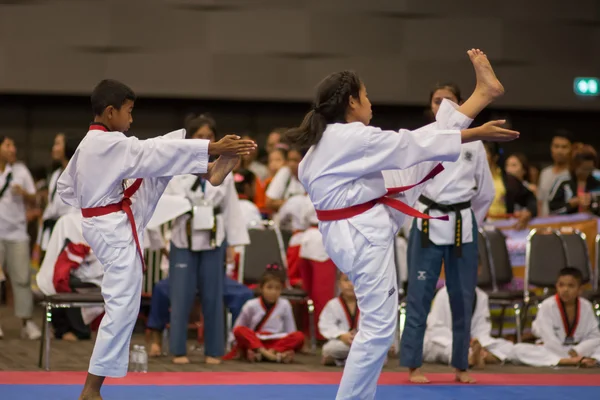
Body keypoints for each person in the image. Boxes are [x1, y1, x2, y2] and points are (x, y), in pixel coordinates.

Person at [284, 49, 518, 400]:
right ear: (351, 101)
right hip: (362, 232)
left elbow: (415, 143)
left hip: (354, 226)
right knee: (378, 329)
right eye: (365, 95)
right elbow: (410, 143)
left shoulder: (323, 143)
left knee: (419, 160)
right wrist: (475, 133)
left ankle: (482, 95)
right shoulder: (351, 138)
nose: (370, 101)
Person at [56, 79, 256, 400]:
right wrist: (214, 147)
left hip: (107, 216)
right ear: (110, 112)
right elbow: (146, 151)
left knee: (157, 160)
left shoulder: (92, 144)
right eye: (129, 112)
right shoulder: (107, 144)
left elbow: (66, 188)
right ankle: (90, 389)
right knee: (122, 306)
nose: (131, 119)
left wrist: (104, 191)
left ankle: (208, 171)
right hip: (111, 223)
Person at [400, 81, 495, 384]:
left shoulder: (475, 143)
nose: (443, 105)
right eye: (437, 100)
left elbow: (486, 193)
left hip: (462, 224)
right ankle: (414, 365)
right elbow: (407, 184)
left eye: (449, 100)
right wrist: (409, 221)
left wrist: (469, 219)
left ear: (461, 105)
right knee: (418, 296)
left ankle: (461, 366)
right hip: (427, 219)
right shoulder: (422, 139)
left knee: (462, 297)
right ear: (431, 106)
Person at [165, 113, 250, 365]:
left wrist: (233, 244)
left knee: (214, 295)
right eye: (199, 136)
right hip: (183, 235)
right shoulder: (175, 168)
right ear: (190, 139)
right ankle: (178, 349)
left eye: (208, 136)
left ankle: (214, 350)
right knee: (181, 294)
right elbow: (166, 203)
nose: (204, 140)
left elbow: (231, 208)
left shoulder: (224, 167)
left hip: (214, 237)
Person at [510, 267, 600, 367]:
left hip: (578, 350)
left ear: (580, 289)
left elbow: (595, 337)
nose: (565, 290)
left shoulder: (586, 306)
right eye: (561, 285)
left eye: (571, 286)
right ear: (556, 286)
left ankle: (589, 360)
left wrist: (577, 350)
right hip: (553, 350)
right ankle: (569, 361)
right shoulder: (547, 305)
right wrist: (568, 356)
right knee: (517, 350)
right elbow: (549, 339)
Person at [0, 136, 42, 340]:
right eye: (8, 145)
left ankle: (26, 322)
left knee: (22, 279)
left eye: (13, 145)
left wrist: (24, 193)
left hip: (17, 234)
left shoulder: (21, 171)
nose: (12, 149)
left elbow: (36, 199)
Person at [423, 284, 515, 369]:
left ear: (479, 270)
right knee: (446, 349)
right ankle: (472, 357)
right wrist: (462, 344)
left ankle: (479, 355)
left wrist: (478, 344)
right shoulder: (443, 294)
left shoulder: (482, 296)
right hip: (444, 342)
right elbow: (437, 330)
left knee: (506, 347)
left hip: (470, 343)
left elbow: (482, 331)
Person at [231, 265, 305, 363]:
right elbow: (238, 328)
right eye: (269, 288)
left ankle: (267, 353)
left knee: (299, 336)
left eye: (277, 288)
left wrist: (286, 344)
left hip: (276, 341)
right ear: (261, 288)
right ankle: (271, 355)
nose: (273, 292)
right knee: (239, 330)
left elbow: (291, 331)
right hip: (256, 341)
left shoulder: (285, 304)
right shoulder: (251, 305)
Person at [38, 133, 81, 256]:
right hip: (51, 229)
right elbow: (51, 206)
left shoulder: (78, 173)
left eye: (57, 144)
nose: (53, 148)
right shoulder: (56, 174)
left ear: (68, 146)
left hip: (70, 230)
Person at [484, 142, 537, 229]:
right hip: (475, 228)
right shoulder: (470, 178)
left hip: (504, 229)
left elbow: (529, 198)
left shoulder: (508, 180)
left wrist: (528, 213)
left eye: (484, 153)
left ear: (495, 157)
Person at [319, 273, 360, 366]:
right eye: (346, 280)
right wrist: (341, 335)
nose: (351, 284)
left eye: (355, 281)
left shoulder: (367, 304)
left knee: (378, 351)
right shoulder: (332, 304)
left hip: (362, 342)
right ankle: (357, 362)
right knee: (328, 349)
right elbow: (326, 325)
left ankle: (340, 361)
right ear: (339, 284)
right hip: (343, 343)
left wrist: (361, 337)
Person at [548, 143, 600, 216]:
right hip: (567, 224)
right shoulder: (562, 182)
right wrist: (571, 204)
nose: (587, 173)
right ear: (574, 166)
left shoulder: (597, 183)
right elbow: (552, 209)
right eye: (583, 169)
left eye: (590, 169)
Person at [537, 130, 573, 216]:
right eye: (556, 146)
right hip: (546, 225)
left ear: (571, 149)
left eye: (564, 147)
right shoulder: (544, 173)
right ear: (551, 148)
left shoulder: (573, 174)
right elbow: (540, 202)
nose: (559, 151)